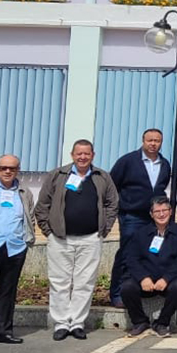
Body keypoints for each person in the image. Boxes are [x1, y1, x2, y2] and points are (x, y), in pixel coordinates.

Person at [35, 140, 119, 341]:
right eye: (79, 153)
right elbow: (42, 205)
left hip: (90, 239)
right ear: (72, 154)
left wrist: (104, 229)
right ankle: (62, 323)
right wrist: (49, 231)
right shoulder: (58, 175)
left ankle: (78, 323)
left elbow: (112, 204)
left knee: (85, 282)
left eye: (87, 154)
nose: (83, 157)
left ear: (93, 155)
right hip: (60, 239)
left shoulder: (101, 177)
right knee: (59, 282)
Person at [109, 129, 170, 307]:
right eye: (150, 140)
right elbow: (112, 185)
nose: (153, 144)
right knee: (127, 253)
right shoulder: (127, 161)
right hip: (131, 216)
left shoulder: (164, 164)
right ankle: (117, 293)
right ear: (143, 141)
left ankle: (139, 290)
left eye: (157, 141)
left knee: (148, 254)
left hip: (153, 219)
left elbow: (160, 188)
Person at [121, 196, 177, 338]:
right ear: (151, 214)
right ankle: (140, 321)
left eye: (165, 210)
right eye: (157, 211)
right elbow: (132, 258)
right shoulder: (140, 233)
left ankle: (162, 323)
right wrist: (143, 278)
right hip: (146, 280)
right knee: (127, 287)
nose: (161, 214)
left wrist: (166, 279)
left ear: (171, 212)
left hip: (168, 280)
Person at [0, 155, 35, 344]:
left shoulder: (24, 192)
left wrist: (26, 241)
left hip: (14, 247)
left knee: (8, 291)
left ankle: (2, 331)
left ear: (18, 170)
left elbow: (29, 216)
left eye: (12, 169)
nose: (8, 171)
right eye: (4, 168)